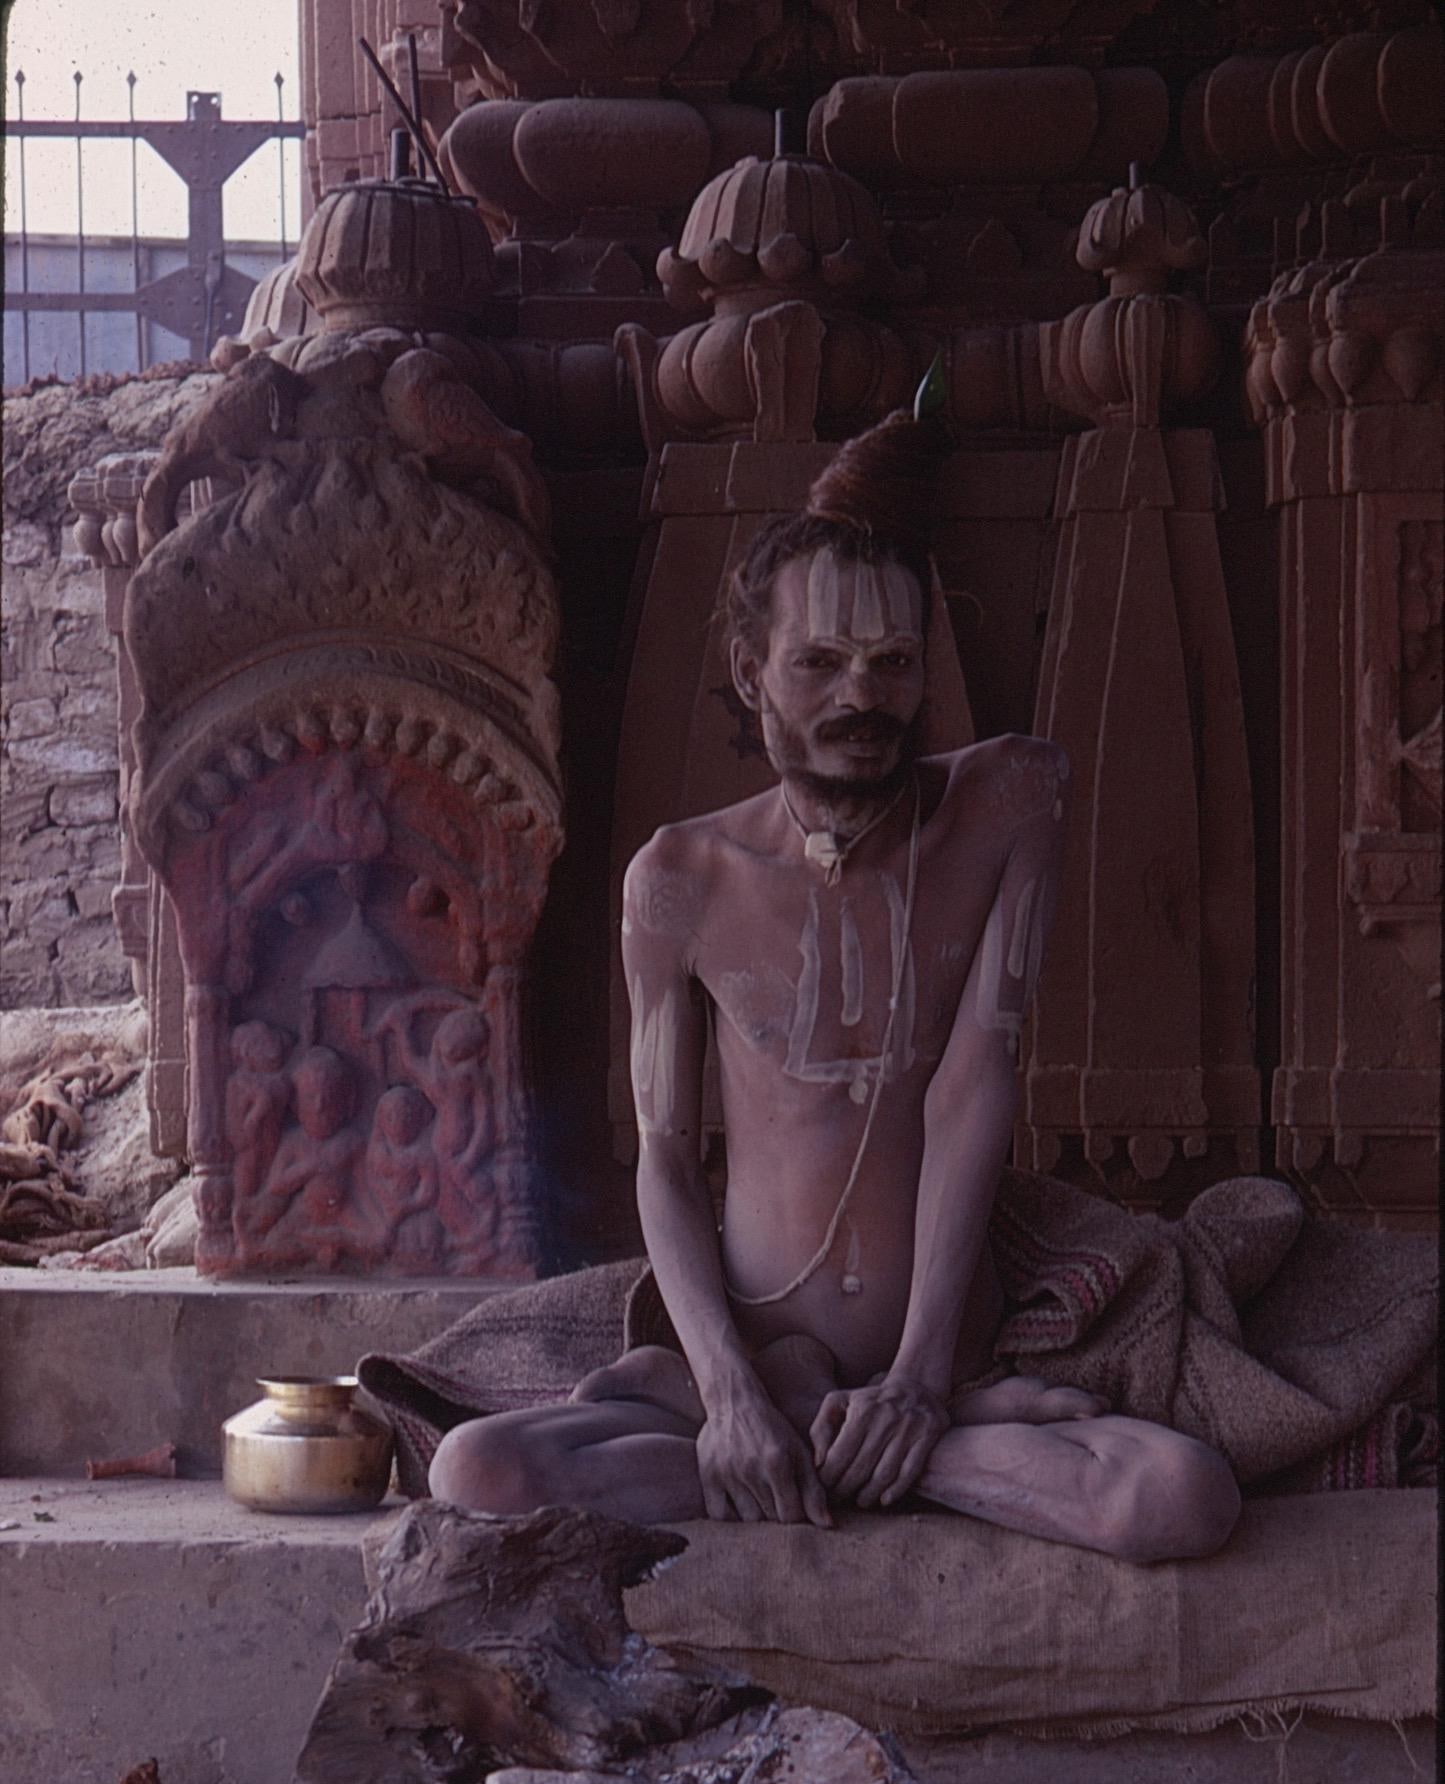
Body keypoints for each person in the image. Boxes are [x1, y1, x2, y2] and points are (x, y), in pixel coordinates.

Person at [429, 408, 1241, 1564]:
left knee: (1177, 1500)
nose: (859, 698)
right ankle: (831, 1445)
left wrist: (917, 1380)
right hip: (760, 1357)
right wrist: (726, 1392)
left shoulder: (1011, 805)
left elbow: (974, 1084)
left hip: (943, 1352)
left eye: (891, 664)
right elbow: (663, 1156)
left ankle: (904, 1439)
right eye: (817, 663)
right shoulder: (676, 880)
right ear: (750, 669)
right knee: (479, 1468)